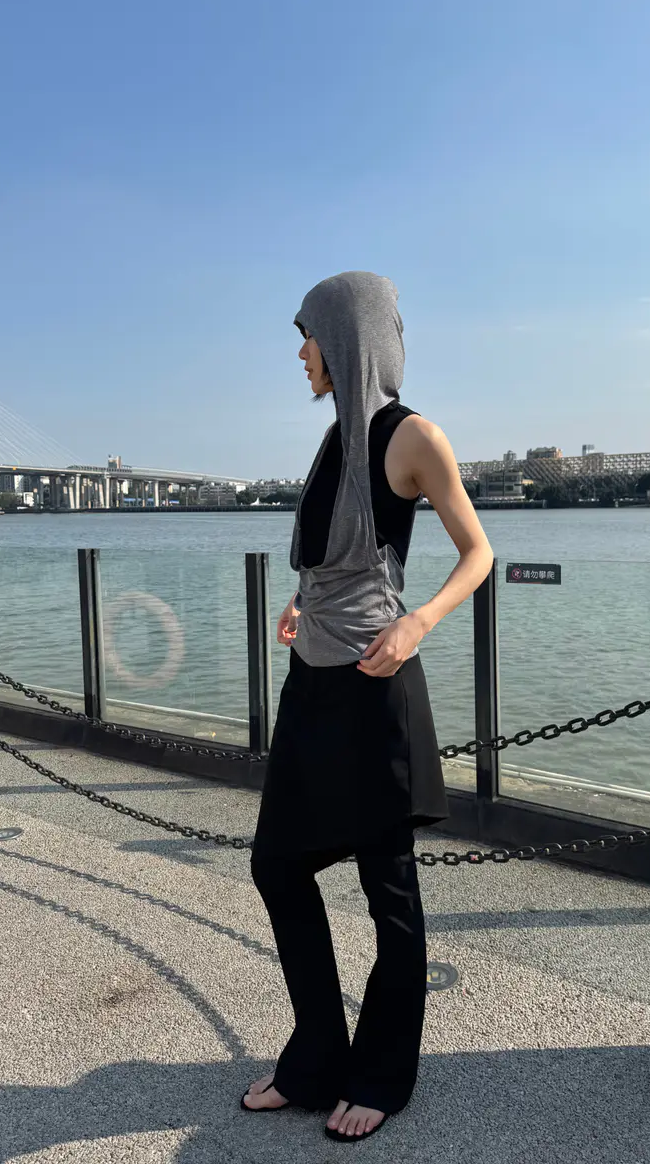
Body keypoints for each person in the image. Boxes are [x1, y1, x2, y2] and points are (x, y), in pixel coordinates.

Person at [242, 271, 493, 1143]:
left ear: (347, 338)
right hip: (312, 685)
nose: (300, 354)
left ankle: (383, 1076)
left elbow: (478, 552)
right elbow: (336, 559)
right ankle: (316, 1058)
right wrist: (301, 601)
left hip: (375, 689)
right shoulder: (333, 440)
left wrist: (418, 622)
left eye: (307, 336)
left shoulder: (412, 436)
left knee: (390, 893)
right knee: (277, 865)